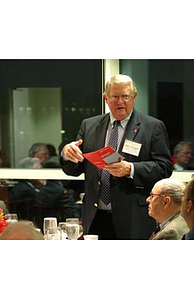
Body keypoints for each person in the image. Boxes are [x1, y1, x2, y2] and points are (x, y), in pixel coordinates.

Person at [60, 74, 173, 239]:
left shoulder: (152, 127)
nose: (120, 102)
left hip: (133, 218)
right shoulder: (89, 125)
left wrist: (130, 169)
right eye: (114, 96)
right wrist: (67, 154)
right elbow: (74, 170)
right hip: (95, 216)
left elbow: (164, 168)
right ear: (106, 98)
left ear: (134, 97)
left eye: (125, 96)